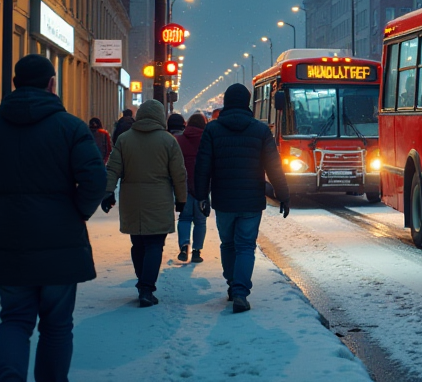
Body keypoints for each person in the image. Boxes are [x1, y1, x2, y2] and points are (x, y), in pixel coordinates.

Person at [0, 54, 107, 381]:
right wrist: (76, 212)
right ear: (52, 84)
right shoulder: (69, 127)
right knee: (56, 325)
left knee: (13, 320)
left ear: (14, 84)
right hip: (61, 241)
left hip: (8, 240)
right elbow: (95, 180)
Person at [194, 84, 290, 313]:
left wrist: (201, 196)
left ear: (226, 101)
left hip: (224, 199)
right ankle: (240, 291)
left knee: (228, 243)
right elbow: (273, 166)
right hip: (251, 200)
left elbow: (202, 166)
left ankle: (232, 283)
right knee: (246, 246)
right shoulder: (260, 130)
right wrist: (283, 195)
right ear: (248, 102)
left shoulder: (213, 130)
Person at [101, 99, 188, 307]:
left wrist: (108, 192)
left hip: (132, 199)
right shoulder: (168, 141)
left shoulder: (124, 139)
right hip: (159, 199)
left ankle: (142, 282)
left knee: (137, 243)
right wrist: (181, 199)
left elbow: (113, 169)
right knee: (154, 244)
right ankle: (146, 288)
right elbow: (179, 174)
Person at [176, 113, 209, 263]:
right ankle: (197, 251)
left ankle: (184, 246)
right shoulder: (207, 140)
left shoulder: (179, 141)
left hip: (184, 186)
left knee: (184, 218)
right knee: (200, 221)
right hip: (202, 187)